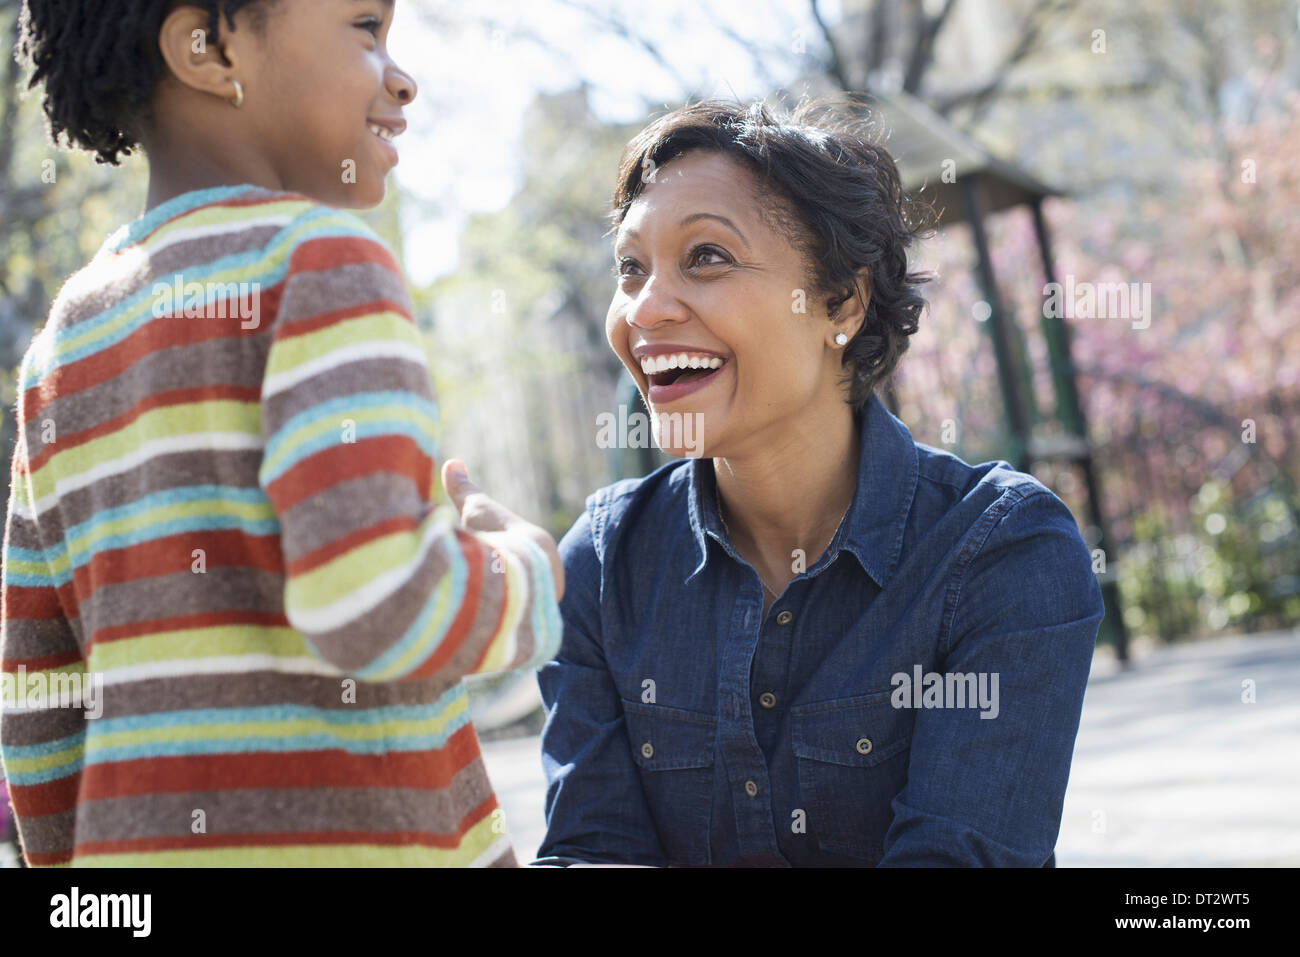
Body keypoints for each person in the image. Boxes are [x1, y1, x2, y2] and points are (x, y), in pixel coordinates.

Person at [0, 0, 562, 867]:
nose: (402, 77)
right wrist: (525, 572)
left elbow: (40, 699)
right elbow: (374, 603)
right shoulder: (323, 263)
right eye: (366, 29)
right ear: (208, 48)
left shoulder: (59, 349)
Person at [535, 98, 1105, 867]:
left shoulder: (1004, 554)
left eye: (706, 256)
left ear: (841, 301)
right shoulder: (600, 568)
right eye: (630, 267)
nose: (646, 307)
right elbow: (593, 852)